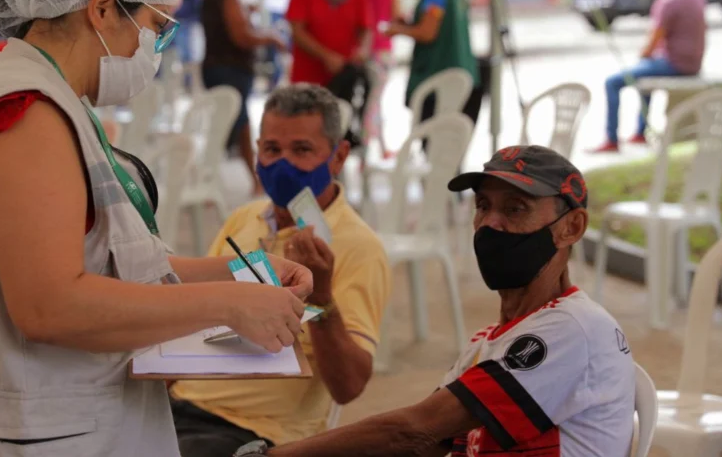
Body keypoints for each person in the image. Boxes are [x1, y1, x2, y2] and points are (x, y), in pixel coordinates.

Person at [0, 0, 313, 456]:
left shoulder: (52, 101)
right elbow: (50, 305)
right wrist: (228, 303)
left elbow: (109, 262)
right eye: (156, 27)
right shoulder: (26, 114)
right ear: (104, 8)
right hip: (36, 430)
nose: (156, 48)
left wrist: (245, 271)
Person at [234, 145, 636, 457]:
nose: (491, 224)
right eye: (483, 206)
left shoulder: (573, 329)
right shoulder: (489, 342)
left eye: (516, 209)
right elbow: (427, 443)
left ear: (571, 227)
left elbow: (416, 430)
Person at [171, 84, 391, 457]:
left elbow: (349, 386)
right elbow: (194, 316)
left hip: (252, 429)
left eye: (301, 150)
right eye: (272, 150)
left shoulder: (358, 246)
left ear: (338, 157)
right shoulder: (245, 218)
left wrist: (321, 299)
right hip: (179, 405)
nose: (283, 165)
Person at [594, 0, 706, 153]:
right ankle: (640, 131)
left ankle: (611, 139)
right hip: (692, 63)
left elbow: (655, 38)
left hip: (674, 63)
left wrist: (644, 54)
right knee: (646, 71)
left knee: (613, 82)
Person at [199, 0, 284, 194]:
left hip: (216, 69)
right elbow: (241, 36)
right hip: (230, 71)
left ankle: (210, 178)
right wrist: (270, 38)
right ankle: (255, 178)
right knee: (241, 125)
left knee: (223, 125)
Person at [387, 0, 478, 123]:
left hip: (439, 76)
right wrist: (410, 24)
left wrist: (397, 30)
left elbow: (428, 32)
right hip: (464, 72)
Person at [356, 0, 400, 159]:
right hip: (383, 51)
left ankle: (375, 149)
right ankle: (367, 150)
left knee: (372, 102)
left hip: (365, 52)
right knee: (374, 104)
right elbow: (396, 17)